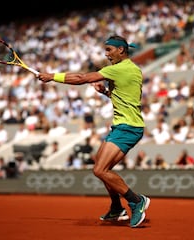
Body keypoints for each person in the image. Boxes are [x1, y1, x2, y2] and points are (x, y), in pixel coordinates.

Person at [37, 35, 150, 228]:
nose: (106, 54)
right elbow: (126, 98)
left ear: (121, 50)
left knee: (100, 170)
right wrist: (106, 93)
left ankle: (136, 200)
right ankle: (116, 207)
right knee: (101, 167)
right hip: (125, 126)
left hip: (128, 127)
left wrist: (52, 76)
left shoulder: (119, 69)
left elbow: (82, 78)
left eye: (109, 50)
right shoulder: (132, 69)